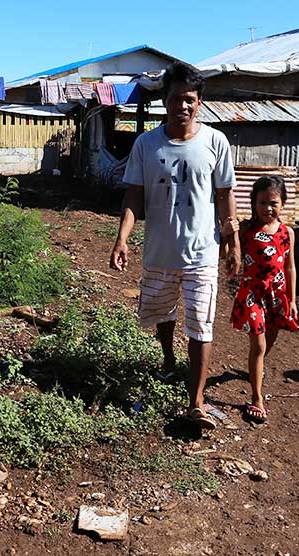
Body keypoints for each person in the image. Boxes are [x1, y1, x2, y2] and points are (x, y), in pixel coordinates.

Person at [109, 61, 238, 430]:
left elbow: (226, 195)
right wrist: (122, 238)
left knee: (201, 324)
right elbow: (134, 194)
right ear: (164, 100)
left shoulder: (215, 142)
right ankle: (168, 361)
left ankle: (196, 400)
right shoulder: (146, 144)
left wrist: (233, 243)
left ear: (200, 103)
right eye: (177, 99)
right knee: (162, 313)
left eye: (191, 100)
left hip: (202, 252)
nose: (183, 106)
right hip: (159, 252)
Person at [230, 176, 298, 423]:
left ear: (283, 203)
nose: (268, 208)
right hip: (253, 294)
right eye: (262, 203)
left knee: (268, 343)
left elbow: (290, 268)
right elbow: (227, 253)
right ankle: (257, 397)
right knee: (258, 347)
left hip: (277, 295)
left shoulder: (287, 233)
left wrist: (291, 300)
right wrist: (228, 237)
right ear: (253, 203)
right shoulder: (247, 230)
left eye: (273, 203)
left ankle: (253, 368)